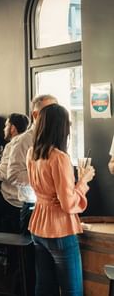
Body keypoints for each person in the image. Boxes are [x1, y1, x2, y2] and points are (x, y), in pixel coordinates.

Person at [27, 103, 95, 295]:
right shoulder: (59, 157)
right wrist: (83, 181)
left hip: (38, 225)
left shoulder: (31, 153)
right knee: (71, 290)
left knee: (44, 288)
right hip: (60, 229)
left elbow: (46, 191)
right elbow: (68, 203)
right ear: (61, 127)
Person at [8, 94, 58, 233]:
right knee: (32, 254)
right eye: (49, 111)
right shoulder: (23, 141)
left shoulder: (57, 137)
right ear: (35, 115)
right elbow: (13, 175)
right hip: (33, 207)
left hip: (55, 208)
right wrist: (42, 179)